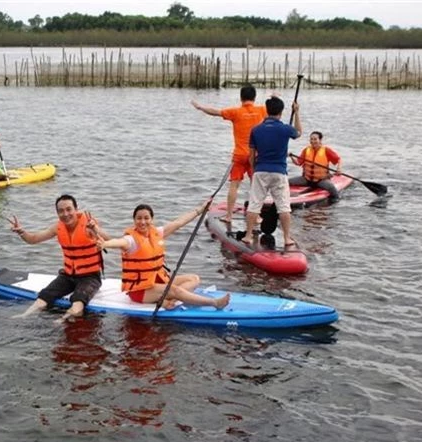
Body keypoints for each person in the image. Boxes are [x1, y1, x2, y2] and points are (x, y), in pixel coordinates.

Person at [97, 203, 230, 310]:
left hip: (156, 281)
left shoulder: (157, 233)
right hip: (140, 290)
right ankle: (214, 303)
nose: (142, 222)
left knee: (194, 279)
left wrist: (201, 210)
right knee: (174, 289)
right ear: (134, 220)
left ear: (151, 219)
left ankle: (167, 300)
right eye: (139, 218)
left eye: (146, 218)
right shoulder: (131, 240)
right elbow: (118, 242)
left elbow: (179, 222)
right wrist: (105, 244)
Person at [8, 195, 111, 322]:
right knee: (44, 296)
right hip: (68, 275)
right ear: (57, 213)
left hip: (89, 277)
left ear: (76, 209)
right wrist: (21, 232)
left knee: (78, 301)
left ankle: (62, 320)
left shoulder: (89, 226)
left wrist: (96, 230)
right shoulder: (57, 227)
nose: (65, 214)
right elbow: (33, 239)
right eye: (61, 211)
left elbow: (110, 240)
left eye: (69, 209)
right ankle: (24, 316)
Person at [192, 85, 267, 223]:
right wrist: (275, 97)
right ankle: (256, 216)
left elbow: (215, 112)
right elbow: (275, 111)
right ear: (254, 97)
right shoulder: (262, 110)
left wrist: (200, 107)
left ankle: (229, 216)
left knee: (234, 185)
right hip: (255, 155)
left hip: (239, 154)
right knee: (255, 186)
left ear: (241, 97)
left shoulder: (235, 112)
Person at [241, 96, 302, 248]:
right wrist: (297, 112)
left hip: (260, 171)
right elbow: (299, 132)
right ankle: (287, 238)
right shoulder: (285, 129)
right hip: (279, 172)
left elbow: (251, 156)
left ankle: (248, 236)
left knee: (254, 205)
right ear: (281, 112)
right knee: (283, 206)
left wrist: (255, 169)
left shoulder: (256, 130)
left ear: (267, 111)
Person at [289, 131, 343, 201]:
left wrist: (339, 168)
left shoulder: (326, 150)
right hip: (306, 179)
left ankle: (336, 201)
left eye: (315, 139)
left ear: (320, 140)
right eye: (311, 139)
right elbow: (298, 163)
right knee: (287, 182)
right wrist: (291, 157)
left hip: (321, 180)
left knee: (331, 188)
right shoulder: (306, 150)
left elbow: (339, 159)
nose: (313, 141)